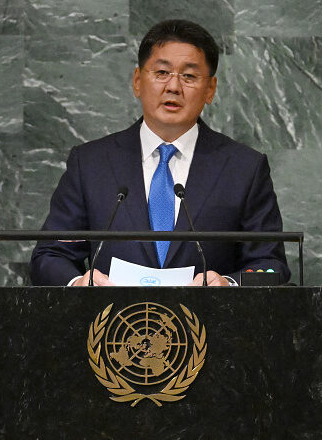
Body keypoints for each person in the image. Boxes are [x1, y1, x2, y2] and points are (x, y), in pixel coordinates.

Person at [30, 19, 290, 286]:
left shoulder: (244, 168)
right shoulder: (90, 164)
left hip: (211, 323)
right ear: (137, 81)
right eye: (162, 73)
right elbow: (50, 256)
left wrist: (229, 284)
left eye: (189, 76)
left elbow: (271, 266)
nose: (174, 87)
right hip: (111, 324)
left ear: (210, 89)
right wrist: (78, 283)